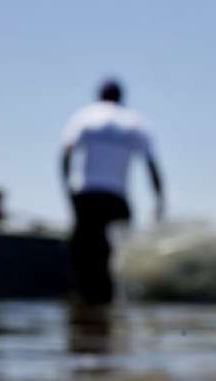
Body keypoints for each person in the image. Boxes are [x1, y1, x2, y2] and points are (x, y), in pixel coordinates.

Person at [60, 79, 165, 304]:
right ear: (121, 97)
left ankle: (85, 303)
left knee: (84, 255)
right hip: (116, 197)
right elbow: (152, 165)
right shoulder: (134, 122)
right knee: (117, 253)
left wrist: (68, 190)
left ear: (99, 95)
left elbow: (66, 154)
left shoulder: (85, 116)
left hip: (86, 194)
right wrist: (159, 200)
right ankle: (113, 305)